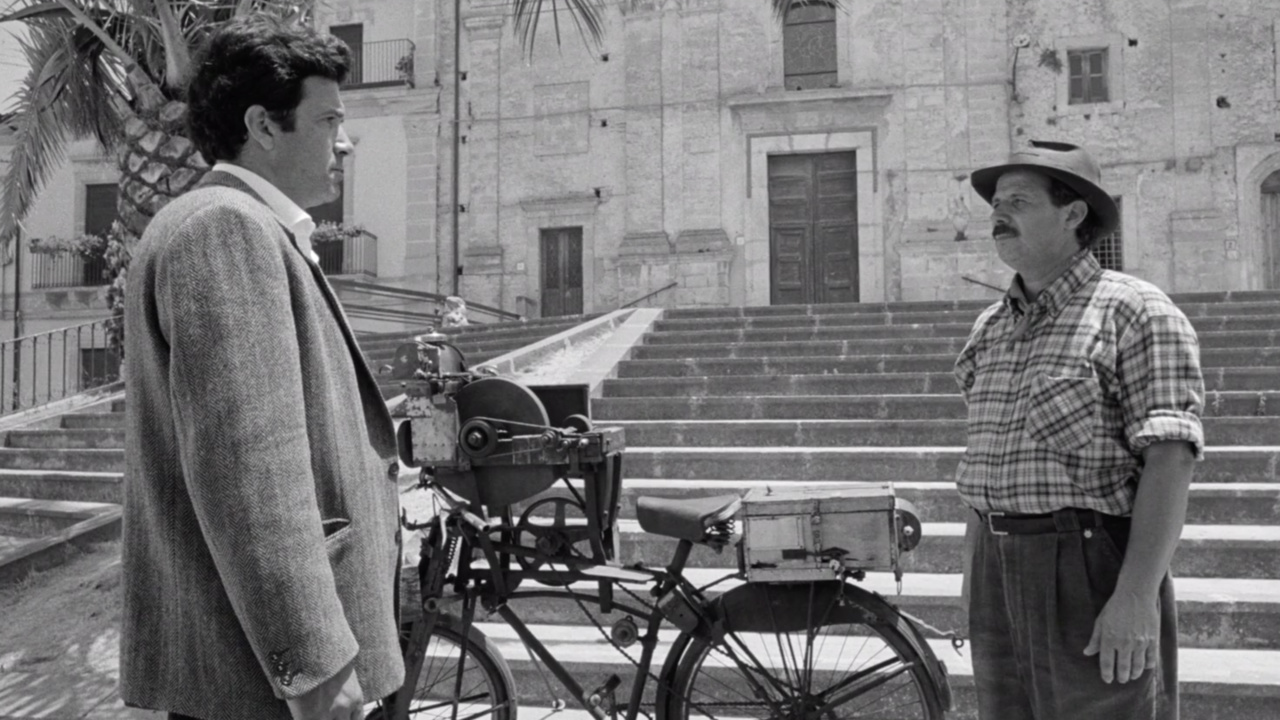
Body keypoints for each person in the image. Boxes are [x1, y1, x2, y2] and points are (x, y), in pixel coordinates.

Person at [120, 15, 404, 720]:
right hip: (267, 694)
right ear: (264, 125)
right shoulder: (226, 228)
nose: (345, 140)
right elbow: (250, 466)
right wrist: (316, 670)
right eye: (329, 119)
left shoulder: (237, 225)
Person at [956, 140, 1205, 720]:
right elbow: (984, 464)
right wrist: (973, 578)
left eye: (1019, 201)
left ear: (1072, 214)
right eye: (996, 203)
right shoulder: (990, 328)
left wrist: (1136, 596)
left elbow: (1171, 459)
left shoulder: (1134, 310)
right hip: (996, 566)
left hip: (1088, 567)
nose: (999, 214)